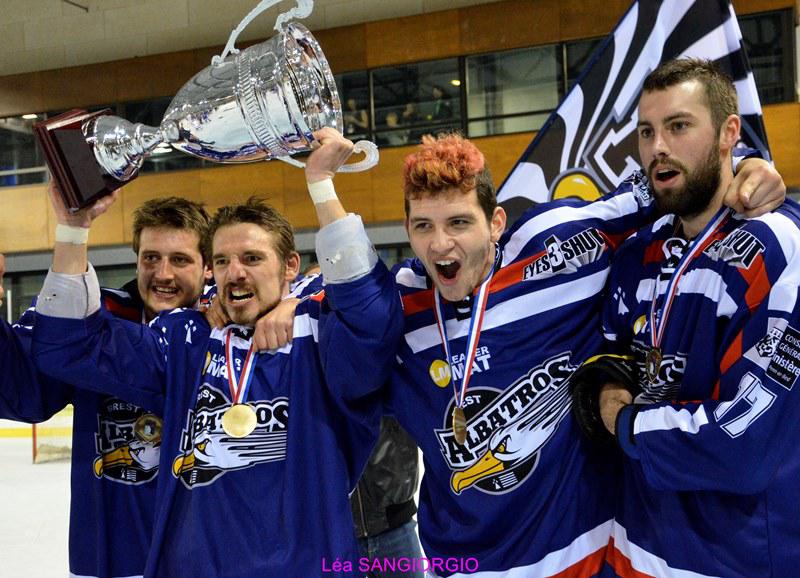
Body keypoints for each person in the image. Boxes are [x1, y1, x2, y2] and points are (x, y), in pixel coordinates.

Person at [382, 127, 784, 578]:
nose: (440, 244)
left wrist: (744, 163)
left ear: (495, 223)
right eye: (424, 226)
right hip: (462, 565)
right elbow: (333, 319)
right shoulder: (395, 306)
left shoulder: (559, 245)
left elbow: (667, 179)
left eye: (458, 222)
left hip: (584, 557)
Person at [31, 128, 402, 577]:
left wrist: (321, 187)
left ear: (290, 266)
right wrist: (73, 228)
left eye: (252, 258)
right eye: (223, 261)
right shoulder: (185, 340)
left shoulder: (319, 336)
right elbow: (69, 345)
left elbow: (372, 316)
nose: (235, 273)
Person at [572, 58, 800, 578]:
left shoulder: (776, 251)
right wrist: (608, 384)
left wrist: (627, 422)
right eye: (646, 132)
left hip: (735, 562)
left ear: (729, 133)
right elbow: (612, 354)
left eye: (678, 126)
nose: (658, 147)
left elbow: (744, 444)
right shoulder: (637, 253)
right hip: (637, 553)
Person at [0, 195, 211, 578]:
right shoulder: (92, 322)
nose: (162, 274)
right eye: (150, 258)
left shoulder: (232, 325)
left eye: (180, 260)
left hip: (208, 556)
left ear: (207, 267)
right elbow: (24, 392)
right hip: (110, 559)